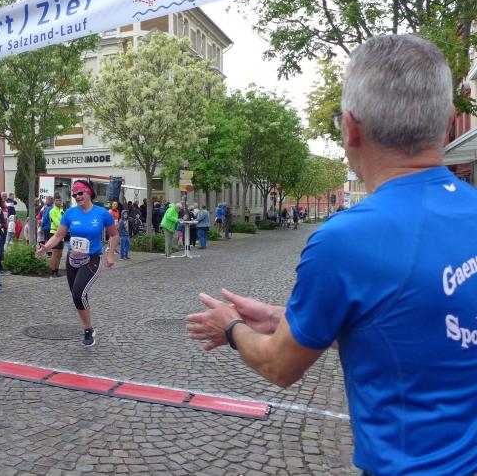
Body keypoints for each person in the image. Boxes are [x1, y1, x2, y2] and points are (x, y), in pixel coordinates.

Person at [185, 34, 477, 474]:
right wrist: (283, 318)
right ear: (449, 121)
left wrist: (230, 327)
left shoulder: (347, 239)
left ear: (351, 128)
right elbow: (410, 322)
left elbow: (280, 366)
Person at [36, 179, 118, 347]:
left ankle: (88, 329)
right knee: (77, 296)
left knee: (78, 294)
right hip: (72, 260)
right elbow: (59, 235)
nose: (77, 197)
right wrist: (47, 247)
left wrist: (110, 256)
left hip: (92, 259)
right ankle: (88, 326)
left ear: (89, 193)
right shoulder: (70, 213)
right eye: (74, 195)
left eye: (80, 193)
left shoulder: (102, 213)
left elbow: (115, 235)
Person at [47, 194, 64, 277]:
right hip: (54, 233)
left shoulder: (62, 210)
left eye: (60, 200)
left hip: (61, 234)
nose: (59, 202)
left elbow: (64, 221)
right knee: (54, 253)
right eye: (57, 200)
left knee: (60, 254)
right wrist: (65, 226)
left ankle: (57, 271)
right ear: (54, 201)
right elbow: (57, 223)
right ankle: (53, 272)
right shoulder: (52, 211)